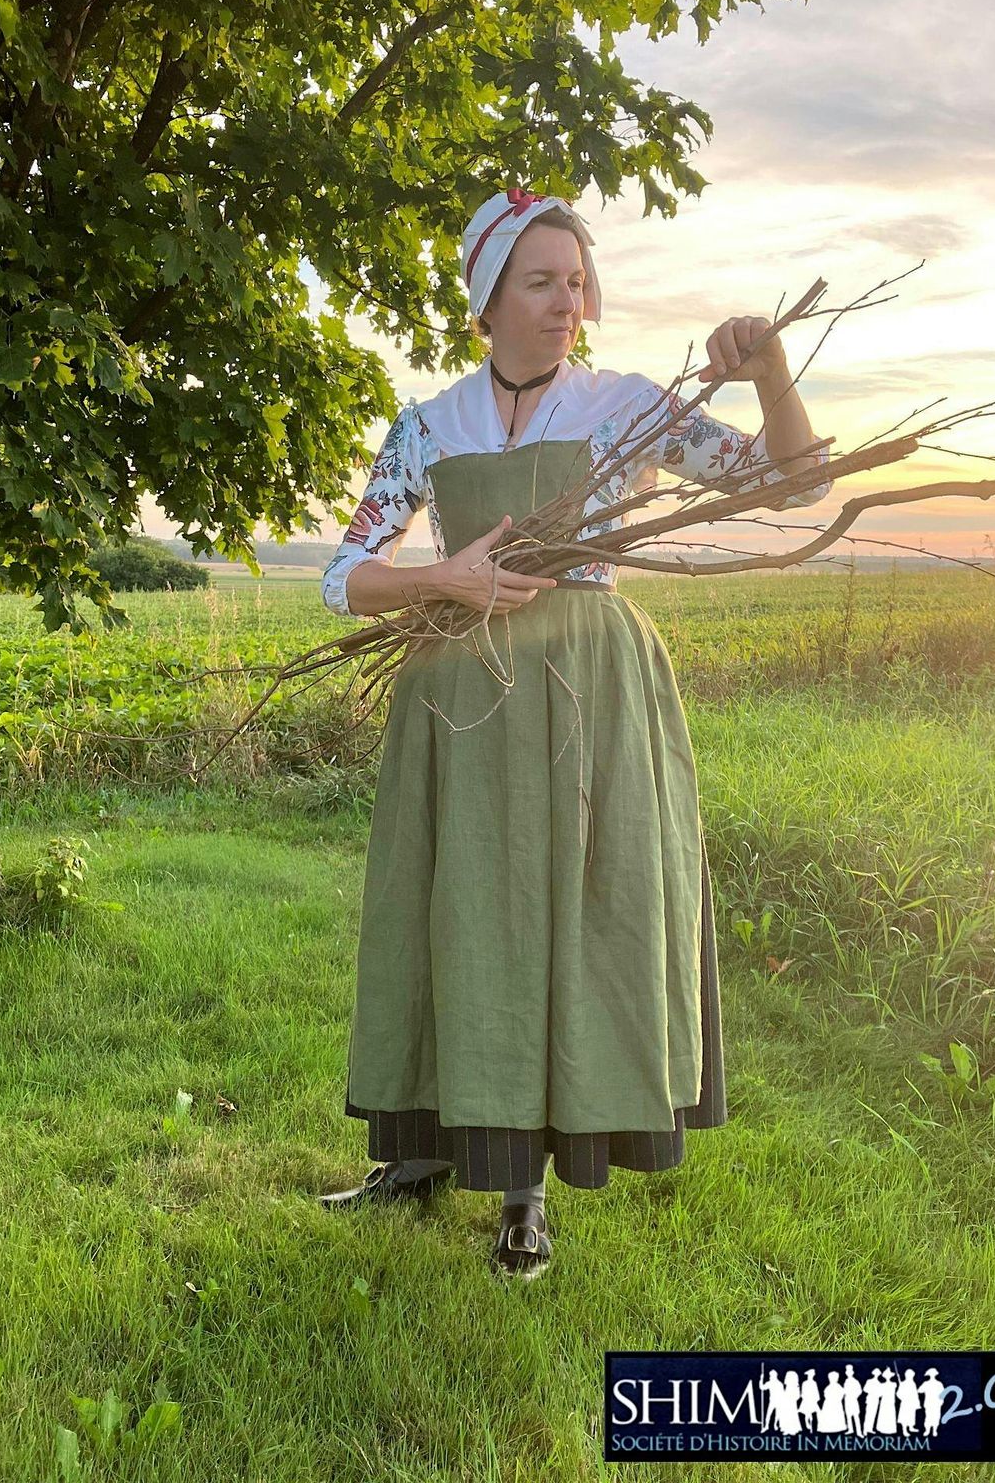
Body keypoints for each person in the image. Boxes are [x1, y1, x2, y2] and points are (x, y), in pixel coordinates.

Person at [317, 187, 833, 1279]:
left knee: (562, 925)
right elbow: (340, 571)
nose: (569, 302)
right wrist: (439, 578)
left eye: (578, 281)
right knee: (455, 916)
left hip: (589, 693)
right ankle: (416, 1152)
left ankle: (523, 1195)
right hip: (460, 701)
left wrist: (770, 369)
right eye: (542, 281)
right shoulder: (429, 424)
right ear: (486, 301)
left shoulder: (626, 409)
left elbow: (794, 483)